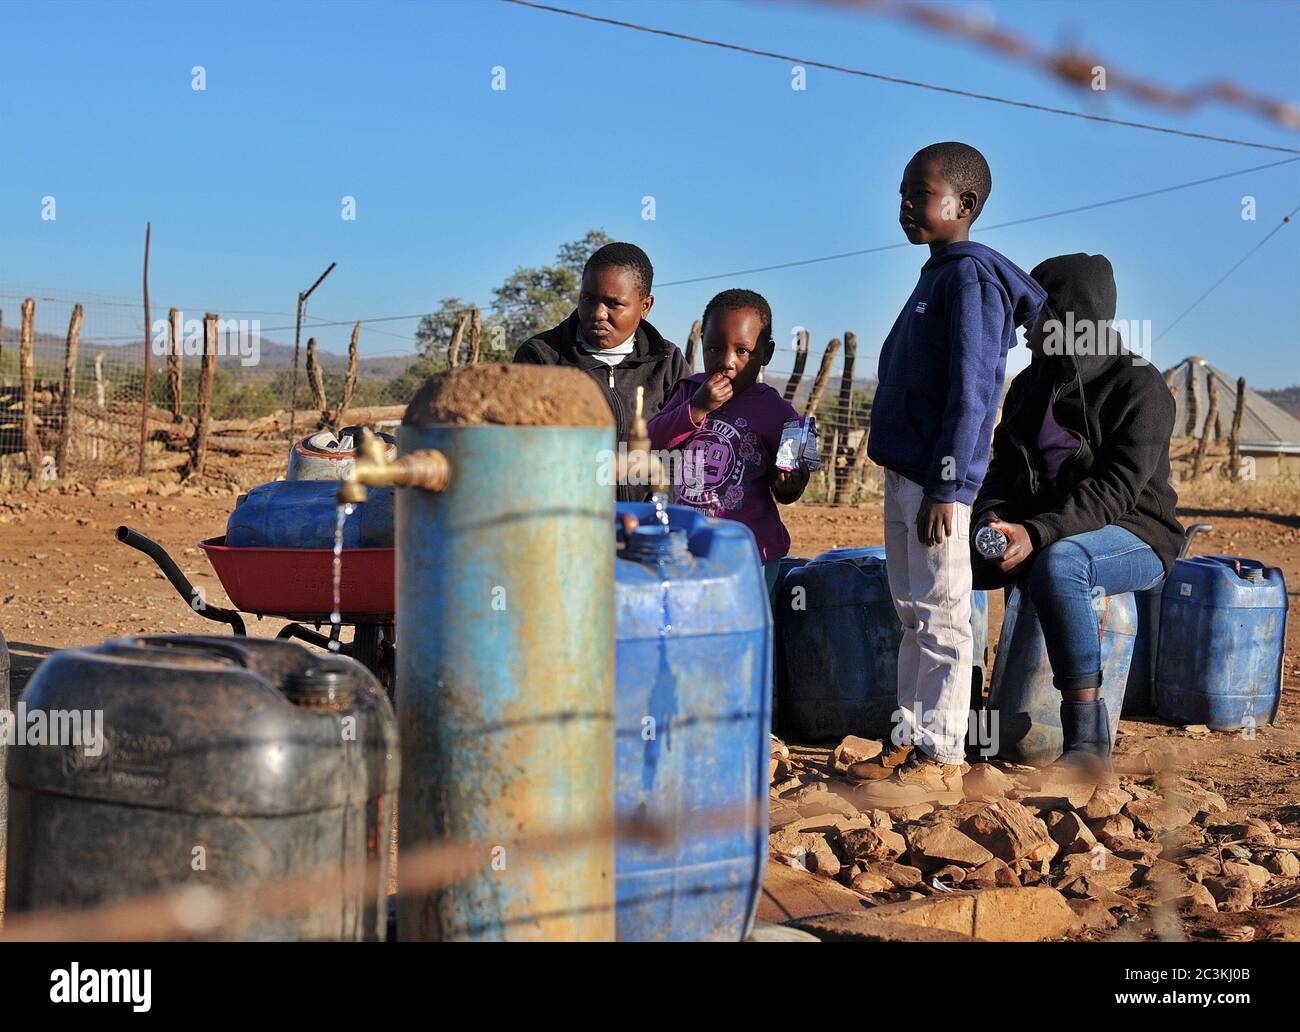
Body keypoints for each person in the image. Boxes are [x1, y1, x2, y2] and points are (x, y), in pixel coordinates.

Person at [855, 142, 1046, 807]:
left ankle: (940, 753)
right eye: (903, 194)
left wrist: (948, 484)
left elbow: (974, 390)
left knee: (941, 613)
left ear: (963, 205)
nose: (907, 206)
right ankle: (907, 737)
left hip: (938, 484)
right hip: (909, 474)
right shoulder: (938, 272)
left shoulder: (968, 278)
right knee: (912, 610)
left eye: (920, 194)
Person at [972, 252, 1182, 770]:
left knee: (1062, 563)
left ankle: (1088, 742)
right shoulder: (1029, 385)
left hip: (1135, 532)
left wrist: (1037, 533)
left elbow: (1116, 490)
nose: (1022, 324)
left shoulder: (1140, 386)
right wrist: (992, 522)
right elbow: (1001, 469)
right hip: (1047, 528)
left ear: (1071, 318)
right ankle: (961, 718)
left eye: (1035, 311)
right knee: (947, 557)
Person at [647, 289, 809, 593]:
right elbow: (652, 444)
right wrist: (696, 409)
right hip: (684, 545)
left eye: (742, 351)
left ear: (767, 353)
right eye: (714, 349)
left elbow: (789, 485)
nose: (726, 362)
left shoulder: (777, 412)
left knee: (742, 631)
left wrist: (791, 484)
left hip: (748, 554)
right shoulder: (688, 392)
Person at [513, 241, 686, 502]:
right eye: (588, 299)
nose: (597, 313)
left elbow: (683, 446)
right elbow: (525, 451)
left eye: (613, 304)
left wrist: (658, 503)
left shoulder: (667, 363)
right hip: (567, 519)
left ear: (645, 306)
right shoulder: (542, 358)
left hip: (650, 525)